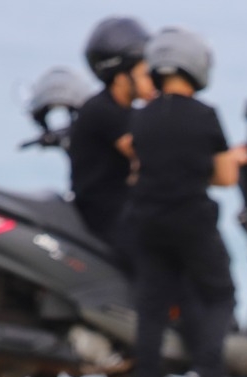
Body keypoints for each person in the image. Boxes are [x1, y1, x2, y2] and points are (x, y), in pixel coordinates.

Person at [124, 27, 247, 377]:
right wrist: (233, 158)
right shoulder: (205, 116)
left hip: (147, 221)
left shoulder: (142, 117)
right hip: (191, 220)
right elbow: (223, 177)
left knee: (152, 305)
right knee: (219, 294)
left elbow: (137, 165)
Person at [69, 16, 150, 244]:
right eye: (146, 73)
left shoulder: (121, 111)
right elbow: (147, 154)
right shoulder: (104, 111)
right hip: (106, 215)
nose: (154, 80)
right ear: (122, 76)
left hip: (121, 209)